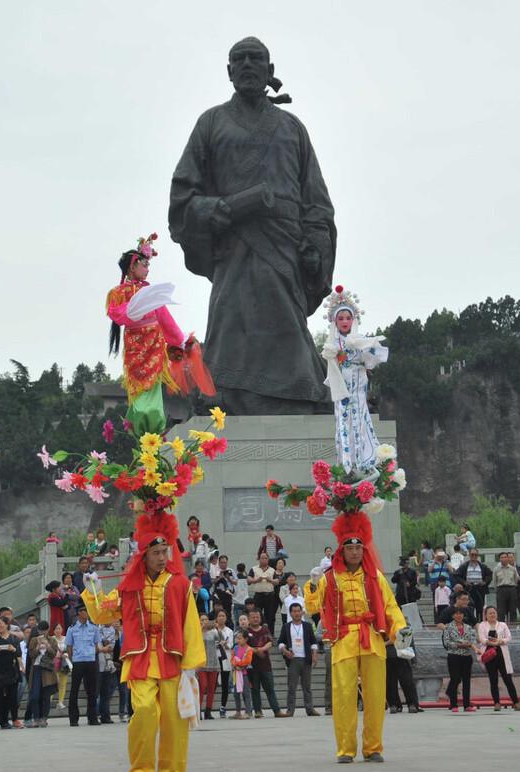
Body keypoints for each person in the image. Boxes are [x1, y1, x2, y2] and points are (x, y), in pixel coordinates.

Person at [169, 36, 336, 416]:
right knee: (231, 326)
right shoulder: (210, 124)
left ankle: (301, 394)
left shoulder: (293, 128)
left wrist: (315, 243)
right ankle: (223, 394)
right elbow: (183, 197)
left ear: (269, 71)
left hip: (284, 251)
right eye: (238, 59)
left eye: (255, 59)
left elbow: (316, 201)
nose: (247, 64)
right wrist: (219, 210)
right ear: (229, 72)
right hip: (234, 249)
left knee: (288, 328)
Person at [82, 505, 205, 771]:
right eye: (156, 553)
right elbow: (102, 614)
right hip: (139, 658)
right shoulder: (128, 587)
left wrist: (191, 665)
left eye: (165, 552)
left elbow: (191, 625)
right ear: (144, 556)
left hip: (172, 658)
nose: (162, 558)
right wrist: (93, 590)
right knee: (145, 712)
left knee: (174, 720)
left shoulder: (180, 584)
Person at [304, 512, 407, 764]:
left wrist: (402, 635)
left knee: (374, 696)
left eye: (358, 547)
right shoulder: (329, 578)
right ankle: (346, 749)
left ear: (364, 549)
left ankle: (373, 747)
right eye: (349, 547)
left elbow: (391, 607)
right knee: (343, 698)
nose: (354, 552)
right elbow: (312, 607)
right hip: (342, 641)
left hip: (371, 639)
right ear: (341, 550)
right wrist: (313, 585)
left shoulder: (376, 577)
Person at [105, 233, 194, 435]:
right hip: (135, 347)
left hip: (154, 345)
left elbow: (165, 319)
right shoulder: (118, 293)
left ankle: (154, 430)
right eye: (144, 265)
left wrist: (180, 341)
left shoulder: (151, 292)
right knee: (138, 390)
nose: (147, 269)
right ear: (132, 266)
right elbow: (116, 314)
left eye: (148, 266)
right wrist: (134, 308)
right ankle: (142, 431)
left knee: (153, 391)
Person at [319, 285, 389, 475]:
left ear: (354, 320)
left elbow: (373, 359)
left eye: (348, 318)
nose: (344, 321)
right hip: (342, 390)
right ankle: (347, 467)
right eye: (340, 318)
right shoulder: (332, 344)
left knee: (361, 422)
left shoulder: (359, 339)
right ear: (334, 321)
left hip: (358, 388)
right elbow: (330, 363)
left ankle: (365, 463)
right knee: (343, 425)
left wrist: (364, 348)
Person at [277, 603, 319, 716]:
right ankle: (290, 710)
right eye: (294, 611)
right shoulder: (286, 627)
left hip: (306, 659)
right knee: (291, 686)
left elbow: (314, 642)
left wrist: (314, 654)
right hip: (293, 660)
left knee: (307, 687)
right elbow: (280, 642)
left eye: (298, 611)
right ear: (290, 613)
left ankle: (310, 709)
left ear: (302, 612)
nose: (296, 613)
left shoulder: (307, 626)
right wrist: (285, 651)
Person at [478, 606, 520, 712]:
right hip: (489, 654)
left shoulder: (502, 625)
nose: (492, 615)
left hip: (501, 653)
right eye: (490, 613)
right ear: (486, 615)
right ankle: (496, 703)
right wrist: (492, 642)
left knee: (508, 679)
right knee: (493, 680)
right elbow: (482, 639)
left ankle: (516, 702)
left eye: (494, 613)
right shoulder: (482, 625)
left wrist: (501, 641)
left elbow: (509, 637)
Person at [63, 605, 100, 727]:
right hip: (78, 661)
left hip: (90, 660)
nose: (86, 613)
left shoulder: (94, 628)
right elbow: (69, 646)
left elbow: (95, 644)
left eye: (87, 611)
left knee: (92, 691)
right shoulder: (72, 629)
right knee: (74, 690)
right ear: (79, 613)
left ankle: (92, 717)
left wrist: (92, 655)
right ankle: (73, 718)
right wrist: (72, 659)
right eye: (83, 611)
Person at [0, 615, 22, 729]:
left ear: (7, 624)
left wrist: (14, 649)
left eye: (1, 623)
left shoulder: (14, 639)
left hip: (12, 671)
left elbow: (19, 654)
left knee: (12, 697)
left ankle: (13, 719)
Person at [442, 606, 477, 712]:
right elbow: (446, 642)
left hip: (467, 656)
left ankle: (467, 705)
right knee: (455, 679)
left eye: (461, 613)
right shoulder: (448, 627)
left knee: (466, 680)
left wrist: (469, 644)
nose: (459, 615)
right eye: (456, 614)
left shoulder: (469, 627)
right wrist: (459, 644)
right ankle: (453, 704)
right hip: (454, 655)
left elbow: (473, 640)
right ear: (453, 615)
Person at [24, 620, 58, 727]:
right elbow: (31, 655)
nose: (42, 633)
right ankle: (36, 718)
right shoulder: (34, 640)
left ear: (48, 630)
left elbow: (53, 654)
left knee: (46, 696)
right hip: (36, 669)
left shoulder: (52, 640)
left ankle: (44, 718)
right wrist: (38, 647)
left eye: (44, 630)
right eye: (40, 630)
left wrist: (47, 645)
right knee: (35, 695)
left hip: (47, 670)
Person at [453, 549, 492, 620]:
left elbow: (490, 574)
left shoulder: (482, 566)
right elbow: (456, 575)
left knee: (480, 606)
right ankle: (469, 620)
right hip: (469, 588)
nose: (474, 556)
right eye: (472, 554)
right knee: (468, 605)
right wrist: (464, 582)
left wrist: (485, 582)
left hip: (479, 588)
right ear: (469, 555)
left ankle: (479, 621)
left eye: (475, 555)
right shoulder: (464, 566)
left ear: (477, 555)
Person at [95, 616, 119, 724]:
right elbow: (98, 645)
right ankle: (94, 714)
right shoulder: (97, 629)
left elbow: (111, 647)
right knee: (96, 692)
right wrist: (102, 648)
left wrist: (105, 646)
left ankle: (105, 716)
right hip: (97, 664)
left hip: (108, 665)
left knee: (106, 692)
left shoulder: (113, 631)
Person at [230, 629, 253, 720]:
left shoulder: (249, 649)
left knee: (246, 693)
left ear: (246, 639)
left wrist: (240, 665)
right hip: (236, 673)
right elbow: (232, 659)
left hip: (245, 674)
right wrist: (235, 666)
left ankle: (248, 712)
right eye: (237, 638)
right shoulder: (235, 648)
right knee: (236, 693)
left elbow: (248, 661)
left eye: (240, 638)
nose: (238, 640)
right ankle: (238, 711)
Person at [493, 552, 520, 624]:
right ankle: (501, 627)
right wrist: (498, 590)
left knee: (513, 610)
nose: (504, 559)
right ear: (499, 559)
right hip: (501, 590)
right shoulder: (496, 569)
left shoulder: (512, 569)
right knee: (501, 611)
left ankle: (513, 627)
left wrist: (513, 588)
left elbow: (515, 580)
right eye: (502, 557)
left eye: (505, 557)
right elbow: (495, 581)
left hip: (511, 589)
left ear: (508, 558)